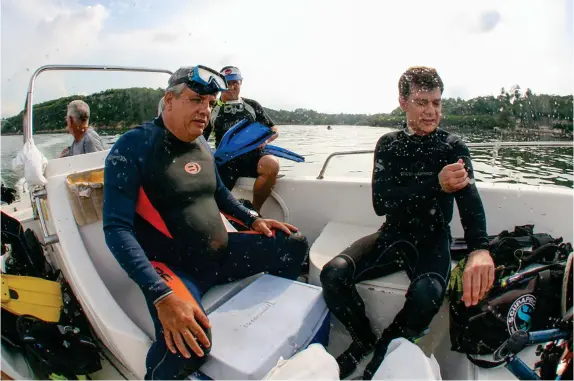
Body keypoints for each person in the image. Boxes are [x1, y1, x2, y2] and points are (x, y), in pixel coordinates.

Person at [102, 65, 309, 380]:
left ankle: (271, 323)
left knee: (293, 245)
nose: (205, 110)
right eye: (197, 99)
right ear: (169, 100)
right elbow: (116, 228)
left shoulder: (201, 143)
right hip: (174, 267)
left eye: (211, 103)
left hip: (221, 255)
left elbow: (219, 192)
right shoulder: (133, 146)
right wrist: (159, 294)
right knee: (190, 344)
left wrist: (252, 219)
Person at [319, 66, 495, 379]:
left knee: (427, 294)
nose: (431, 111)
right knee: (333, 275)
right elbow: (381, 203)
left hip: (433, 238)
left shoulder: (452, 148)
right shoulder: (389, 144)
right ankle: (362, 338)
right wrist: (435, 184)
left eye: (437, 103)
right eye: (422, 102)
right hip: (391, 235)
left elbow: (470, 202)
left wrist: (480, 249)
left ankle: (384, 352)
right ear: (403, 103)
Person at [202, 66, 279, 214]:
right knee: (214, 194)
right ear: (220, 85)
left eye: (235, 82)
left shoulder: (252, 105)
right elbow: (201, 139)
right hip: (226, 160)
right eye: (227, 83)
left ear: (241, 83)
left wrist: (265, 140)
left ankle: (255, 211)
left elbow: (274, 129)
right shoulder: (212, 108)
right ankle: (223, 217)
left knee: (272, 165)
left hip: (254, 155)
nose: (231, 87)